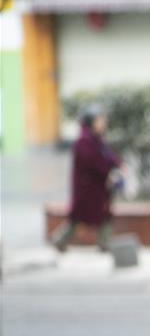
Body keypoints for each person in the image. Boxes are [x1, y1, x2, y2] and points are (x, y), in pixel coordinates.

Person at [51, 106, 125, 252]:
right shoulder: (84, 141)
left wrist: (118, 165)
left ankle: (104, 243)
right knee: (79, 218)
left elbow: (109, 157)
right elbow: (94, 162)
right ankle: (60, 240)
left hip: (98, 188)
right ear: (91, 122)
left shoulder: (97, 140)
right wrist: (108, 172)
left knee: (104, 215)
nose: (103, 123)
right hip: (88, 190)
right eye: (100, 120)